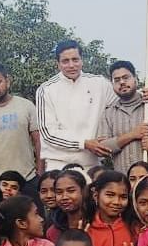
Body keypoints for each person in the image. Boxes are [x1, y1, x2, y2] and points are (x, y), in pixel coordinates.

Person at [90, 59, 148, 179]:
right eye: (117, 80)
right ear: (112, 84)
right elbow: (103, 147)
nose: (122, 82)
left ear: (135, 79)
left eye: (126, 78)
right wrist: (132, 135)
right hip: (124, 183)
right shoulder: (108, 114)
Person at [36, 39, 111, 172]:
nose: (71, 65)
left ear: (82, 60)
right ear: (58, 64)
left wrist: (144, 94)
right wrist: (84, 143)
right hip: (58, 165)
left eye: (75, 60)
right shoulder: (46, 89)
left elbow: (123, 100)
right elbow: (48, 134)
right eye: (65, 61)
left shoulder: (100, 83)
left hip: (93, 165)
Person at [44, 168, 89, 241]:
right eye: (59, 192)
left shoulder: (98, 225)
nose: (64, 197)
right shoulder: (53, 232)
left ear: (83, 191)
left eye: (71, 191)